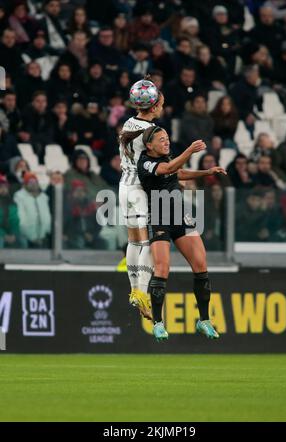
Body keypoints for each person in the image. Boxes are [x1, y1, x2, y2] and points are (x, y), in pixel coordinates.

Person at [137, 125, 226, 341]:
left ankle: (203, 320)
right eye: (161, 139)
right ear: (149, 145)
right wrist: (189, 151)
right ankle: (158, 323)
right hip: (159, 216)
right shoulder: (145, 162)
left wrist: (206, 172)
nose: (166, 142)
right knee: (162, 268)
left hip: (180, 213)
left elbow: (178, 172)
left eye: (167, 138)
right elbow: (167, 169)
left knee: (200, 264)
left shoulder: (168, 159)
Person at [118, 77, 164, 320]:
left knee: (134, 241)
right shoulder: (151, 133)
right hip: (140, 187)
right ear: (154, 105)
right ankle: (141, 292)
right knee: (146, 243)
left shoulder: (129, 123)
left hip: (124, 186)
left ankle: (135, 291)